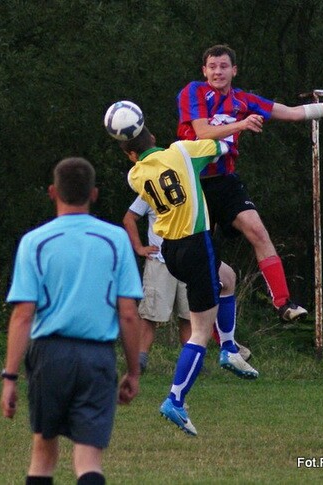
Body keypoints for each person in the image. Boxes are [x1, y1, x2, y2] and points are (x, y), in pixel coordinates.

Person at [176, 44, 323, 322]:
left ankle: (283, 303)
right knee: (208, 264)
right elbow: (203, 132)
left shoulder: (243, 100)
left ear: (234, 70)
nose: (218, 72)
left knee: (257, 231)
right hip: (193, 183)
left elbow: (293, 113)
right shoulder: (194, 91)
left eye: (224, 66)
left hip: (225, 182)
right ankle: (219, 336)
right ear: (204, 70)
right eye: (213, 67)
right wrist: (241, 125)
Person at [1, 157, 142, 485]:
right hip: (97, 357)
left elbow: (23, 315)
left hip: (49, 355)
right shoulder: (116, 240)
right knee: (89, 457)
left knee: (43, 453)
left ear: (53, 192)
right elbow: (128, 313)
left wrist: (9, 377)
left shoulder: (35, 242)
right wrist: (134, 371)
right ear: (94, 194)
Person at [118, 125, 258, 436]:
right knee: (199, 333)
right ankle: (176, 400)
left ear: (131, 155)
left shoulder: (135, 175)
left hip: (171, 251)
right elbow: (223, 146)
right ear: (154, 137)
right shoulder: (182, 151)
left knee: (228, 277)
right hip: (196, 245)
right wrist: (239, 123)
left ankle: (229, 347)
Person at [122, 196, 251, 373]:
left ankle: (193, 362)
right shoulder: (151, 186)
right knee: (151, 315)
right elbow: (129, 218)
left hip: (190, 260)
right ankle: (139, 361)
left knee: (190, 316)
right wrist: (139, 248)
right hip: (160, 261)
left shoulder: (192, 189)